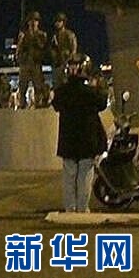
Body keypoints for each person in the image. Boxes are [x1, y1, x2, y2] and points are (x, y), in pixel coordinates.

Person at [52, 53, 107, 213]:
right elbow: (102, 103)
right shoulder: (90, 92)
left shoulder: (62, 92)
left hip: (68, 139)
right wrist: (97, 85)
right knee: (85, 176)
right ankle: (82, 208)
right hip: (88, 140)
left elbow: (56, 105)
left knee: (69, 176)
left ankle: (70, 208)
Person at [16, 12, 47, 108]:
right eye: (31, 20)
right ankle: (22, 105)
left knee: (38, 86)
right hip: (25, 63)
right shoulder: (23, 35)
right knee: (22, 86)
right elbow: (19, 48)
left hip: (36, 63)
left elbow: (43, 47)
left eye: (36, 20)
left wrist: (36, 37)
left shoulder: (41, 34)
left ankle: (38, 104)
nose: (33, 23)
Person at [50, 12, 78, 90]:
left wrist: (68, 61)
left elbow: (73, 50)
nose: (57, 23)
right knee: (57, 86)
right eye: (56, 22)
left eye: (59, 21)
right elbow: (52, 50)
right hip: (57, 64)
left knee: (67, 86)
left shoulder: (69, 34)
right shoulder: (55, 36)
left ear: (63, 22)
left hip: (66, 64)